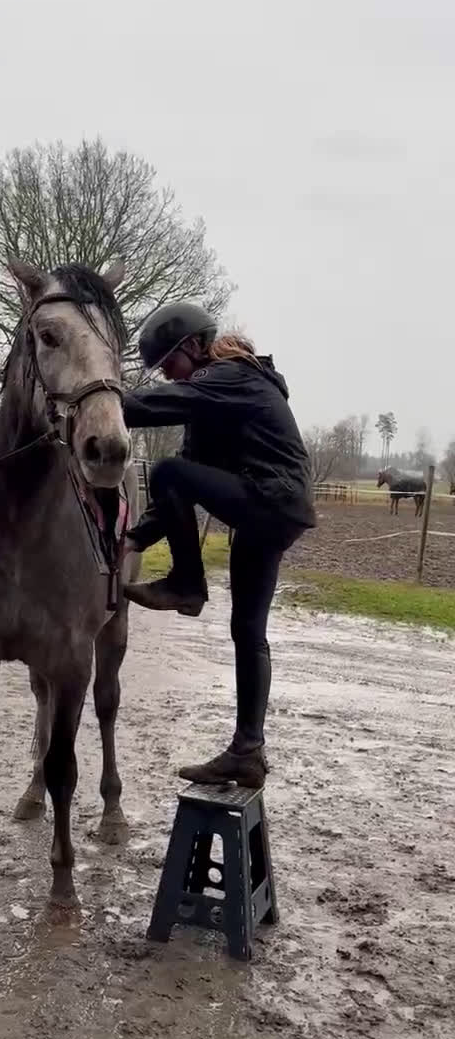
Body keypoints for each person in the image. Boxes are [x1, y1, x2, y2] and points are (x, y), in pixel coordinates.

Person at [122, 303, 316, 789]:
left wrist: (94, 399)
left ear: (192, 347)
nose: (168, 375)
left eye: (168, 363)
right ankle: (247, 751)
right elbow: (179, 484)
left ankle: (188, 584)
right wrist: (131, 539)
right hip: (272, 513)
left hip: (270, 499)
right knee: (248, 631)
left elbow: (159, 408)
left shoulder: (229, 375)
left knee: (164, 470)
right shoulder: (212, 401)